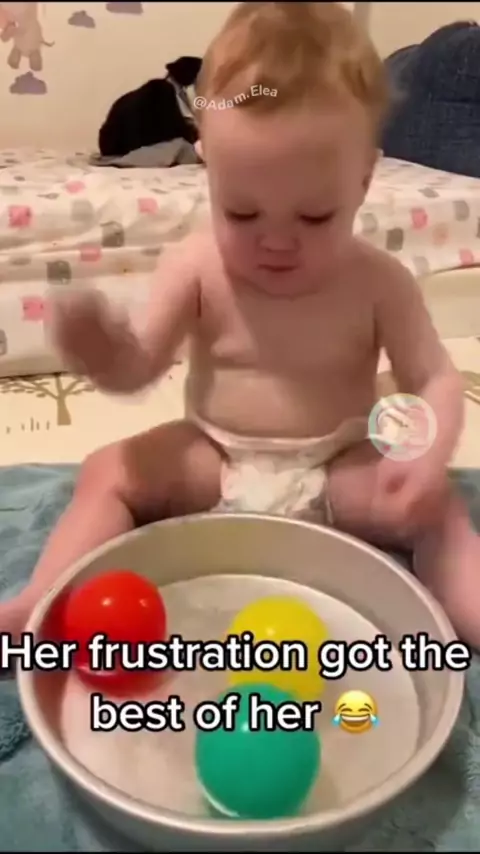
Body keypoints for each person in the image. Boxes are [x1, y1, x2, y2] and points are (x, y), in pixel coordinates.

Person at [2, 2, 479, 647]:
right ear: (208, 165)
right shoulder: (195, 265)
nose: (276, 242)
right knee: (108, 470)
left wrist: (425, 454)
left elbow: (435, 379)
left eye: (314, 216)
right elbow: (138, 367)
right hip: (216, 455)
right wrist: (102, 350)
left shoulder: (379, 280)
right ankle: (37, 606)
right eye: (242, 212)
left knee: (438, 507)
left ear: (365, 180)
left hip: (340, 464)